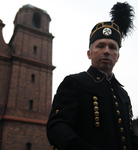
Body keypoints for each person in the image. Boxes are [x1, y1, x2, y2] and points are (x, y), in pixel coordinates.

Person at [46, 2, 138, 150]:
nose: (106, 51)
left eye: (112, 47)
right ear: (89, 53)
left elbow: (130, 136)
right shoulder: (74, 83)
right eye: (100, 46)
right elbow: (57, 128)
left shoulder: (123, 94)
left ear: (118, 56)